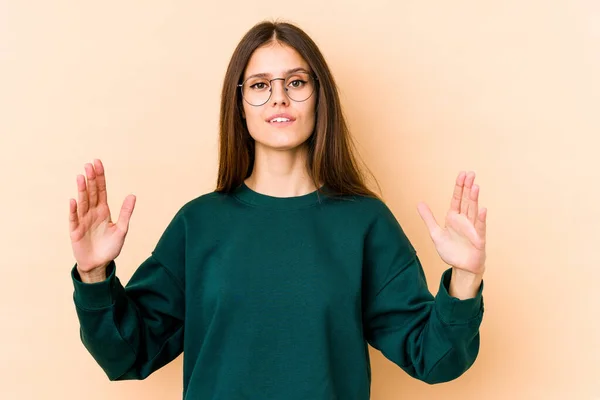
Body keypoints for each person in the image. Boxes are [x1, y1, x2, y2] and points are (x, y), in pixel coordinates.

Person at [69, 20, 487, 399]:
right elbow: (126, 355)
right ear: (239, 103)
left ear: (319, 97)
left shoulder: (364, 223)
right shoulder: (198, 224)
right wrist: (94, 276)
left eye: (297, 82)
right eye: (259, 85)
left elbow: (434, 359)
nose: (279, 99)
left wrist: (465, 278)